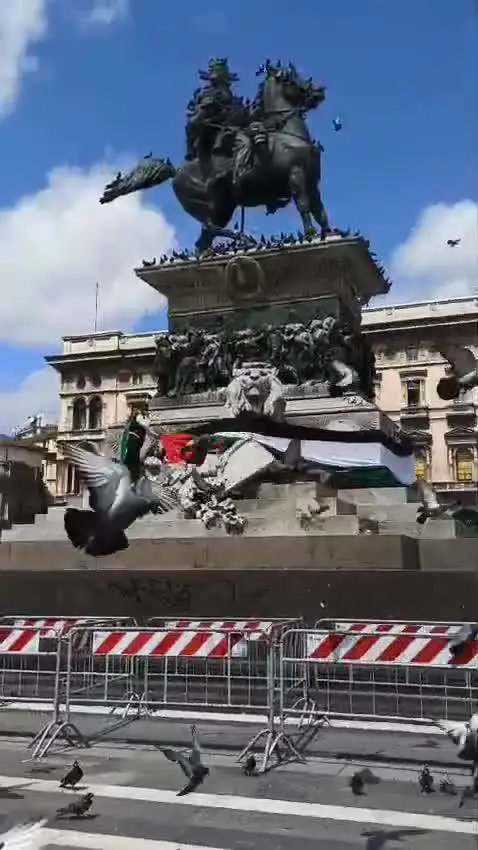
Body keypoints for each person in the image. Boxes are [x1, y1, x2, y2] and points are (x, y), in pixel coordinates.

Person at [119, 403, 154, 487]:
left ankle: (134, 480)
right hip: (133, 443)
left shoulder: (138, 421)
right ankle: (133, 481)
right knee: (133, 462)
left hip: (136, 443)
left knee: (134, 462)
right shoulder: (135, 422)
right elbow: (144, 426)